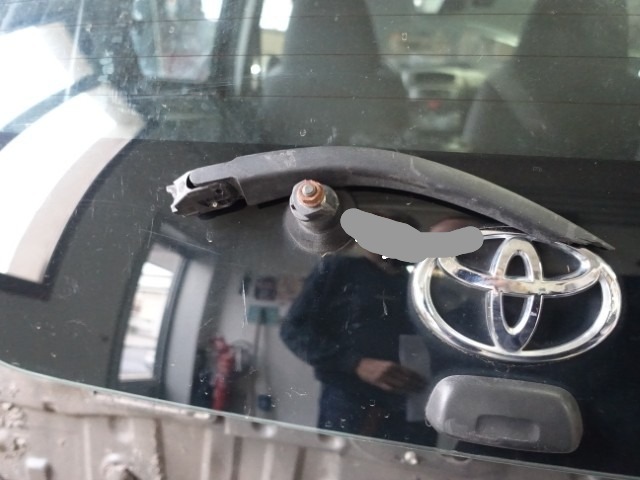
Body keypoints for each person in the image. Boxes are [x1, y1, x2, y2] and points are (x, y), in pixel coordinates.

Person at [280, 245, 435, 444]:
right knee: (342, 460)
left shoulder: (419, 281)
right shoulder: (339, 269)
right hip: (350, 401)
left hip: (414, 401)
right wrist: (355, 364)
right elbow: (294, 330)